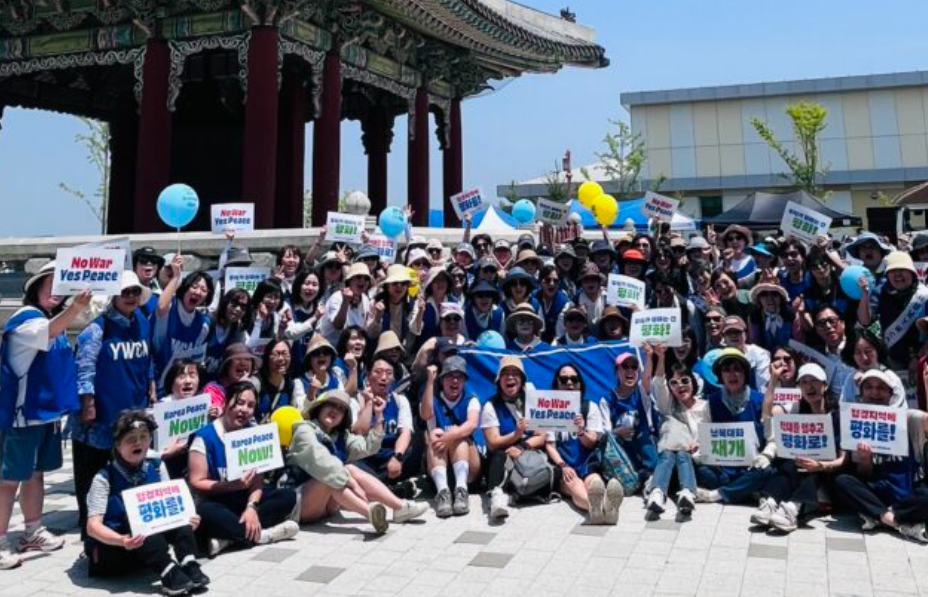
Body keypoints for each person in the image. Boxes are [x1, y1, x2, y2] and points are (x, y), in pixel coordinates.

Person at [0, 262, 91, 569]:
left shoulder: (53, 319)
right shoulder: (27, 319)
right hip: (22, 415)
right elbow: (48, 332)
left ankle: (32, 530)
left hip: (45, 414)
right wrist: (76, 307)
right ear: (36, 287)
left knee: (36, 474)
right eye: (51, 284)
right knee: (8, 480)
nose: (56, 291)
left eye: (62, 286)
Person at [83, 410, 208, 595]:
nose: (138, 442)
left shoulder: (157, 467)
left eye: (144, 437)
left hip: (148, 548)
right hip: (115, 551)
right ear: (117, 444)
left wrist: (188, 518)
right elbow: (92, 527)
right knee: (136, 517)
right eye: (131, 439)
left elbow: (171, 507)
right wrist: (122, 540)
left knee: (177, 514)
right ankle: (168, 572)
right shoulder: (104, 478)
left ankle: (188, 562)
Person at [72, 271, 155, 532]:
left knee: (127, 465)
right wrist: (88, 403)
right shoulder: (97, 327)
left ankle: (120, 517)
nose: (130, 297)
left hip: (132, 409)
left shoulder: (142, 321)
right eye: (124, 292)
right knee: (93, 469)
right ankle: (90, 524)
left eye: (135, 292)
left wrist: (151, 383)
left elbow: (148, 359)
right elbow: (84, 368)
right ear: (113, 296)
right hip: (100, 414)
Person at [286, 390, 428, 533]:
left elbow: (368, 448)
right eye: (331, 405)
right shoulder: (304, 431)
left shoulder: (340, 435)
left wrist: (379, 416)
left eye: (341, 409)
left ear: (344, 417)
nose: (335, 411)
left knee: (349, 469)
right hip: (300, 506)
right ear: (319, 407)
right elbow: (323, 462)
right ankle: (370, 512)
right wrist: (352, 484)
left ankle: (400, 507)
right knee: (332, 476)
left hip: (326, 505)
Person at [188, 381, 299, 557]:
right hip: (216, 502)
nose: (244, 410)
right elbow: (197, 482)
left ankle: (229, 538)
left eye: (250, 405)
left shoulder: (253, 432)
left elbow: (257, 480)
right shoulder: (204, 437)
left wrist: (252, 507)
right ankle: (264, 535)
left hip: (243, 501)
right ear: (226, 403)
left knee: (287, 496)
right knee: (205, 512)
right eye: (240, 403)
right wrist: (231, 485)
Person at [832, 369, 928, 541]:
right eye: (868, 387)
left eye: (881, 388)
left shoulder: (907, 417)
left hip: (909, 494)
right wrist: (865, 459)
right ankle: (897, 521)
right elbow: (864, 475)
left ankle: (879, 516)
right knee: (842, 481)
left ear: (891, 394)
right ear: (861, 393)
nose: (874, 392)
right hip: (877, 492)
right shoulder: (857, 422)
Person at [751, 364, 844, 533]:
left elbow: (843, 460)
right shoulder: (797, 408)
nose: (809, 386)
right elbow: (768, 415)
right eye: (804, 382)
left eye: (814, 381)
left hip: (828, 473)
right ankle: (771, 502)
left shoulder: (837, 416)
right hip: (800, 467)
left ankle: (793, 509)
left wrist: (820, 465)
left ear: (825, 385)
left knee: (810, 469)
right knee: (790, 461)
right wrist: (773, 380)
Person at [544, 364, 622, 524]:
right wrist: (563, 465)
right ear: (557, 383)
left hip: (587, 464)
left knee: (595, 483)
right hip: (565, 466)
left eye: (574, 379)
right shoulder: (551, 408)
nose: (569, 383)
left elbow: (592, 443)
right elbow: (550, 445)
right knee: (575, 485)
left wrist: (581, 431)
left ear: (580, 383)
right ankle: (602, 509)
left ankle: (604, 509)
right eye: (564, 380)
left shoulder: (589, 407)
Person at [695, 349, 775, 505]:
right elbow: (704, 437)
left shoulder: (760, 401)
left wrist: (766, 456)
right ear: (720, 375)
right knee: (699, 468)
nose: (732, 375)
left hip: (750, 467)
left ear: (745, 373)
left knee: (767, 471)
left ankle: (717, 495)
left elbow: (772, 439)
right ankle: (743, 490)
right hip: (722, 469)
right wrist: (699, 450)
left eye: (737, 369)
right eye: (727, 370)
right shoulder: (712, 401)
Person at [481, 357, 549, 521]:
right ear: (499, 380)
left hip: (528, 453)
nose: (510, 377)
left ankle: (521, 494)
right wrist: (516, 434)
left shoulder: (533, 401)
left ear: (522, 380)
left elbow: (541, 436)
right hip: (503, 457)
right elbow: (492, 443)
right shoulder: (491, 406)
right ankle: (496, 497)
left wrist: (521, 446)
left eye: (515, 373)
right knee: (498, 456)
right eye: (505, 373)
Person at [646, 345, 706, 520]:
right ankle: (657, 493)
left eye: (685, 380)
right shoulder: (669, 406)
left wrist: (700, 443)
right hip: (670, 458)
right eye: (674, 383)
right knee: (671, 452)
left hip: (696, 459)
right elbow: (658, 383)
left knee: (681, 454)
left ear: (693, 382)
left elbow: (712, 434)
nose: (680, 385)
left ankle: (686, 492)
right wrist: (661, 357)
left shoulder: (706, 407)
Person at [419, 356, 482, 518]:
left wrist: (450, 436)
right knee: (435, 436)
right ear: (442, 380)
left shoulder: (471, 399)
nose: (454, 381)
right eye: (450, 376)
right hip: (439, 466)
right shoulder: (433, 398)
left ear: (464, 381)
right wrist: (430, 381)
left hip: (468, 470)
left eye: (459, 377)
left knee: (459, 435)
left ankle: (461, 491)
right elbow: (425, 414)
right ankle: (443, 493)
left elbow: (471, 424)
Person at [152, 256, 213, 395]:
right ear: (185, 287)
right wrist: (176, 276)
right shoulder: (170, 307)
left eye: (204, 290)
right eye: (194, 287)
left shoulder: (204, 324)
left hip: (181, 393)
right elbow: (161, 307)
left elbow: (197, 362)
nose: (198, 292)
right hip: (156, 388)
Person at [859, 251, 928, 371]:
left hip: (923, 358)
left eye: (902, 270)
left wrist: (919, 357)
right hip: (893, 360)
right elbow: (865, 321)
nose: (898, 275)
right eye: (893, 271)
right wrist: (865, 296)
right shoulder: (880, 291)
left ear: (912, 273)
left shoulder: (924, 294)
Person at [355, 358, 419, 484]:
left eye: (389, 373)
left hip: (389, 456)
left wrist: (397, 457)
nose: (383, 377)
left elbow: (405, 432)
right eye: (378, 372)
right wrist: (368, 403)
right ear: (368, 377)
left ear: (393, 379)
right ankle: (384, 486)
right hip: (365, 457)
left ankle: (374, 485)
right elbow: (359, 432)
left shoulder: (400, 400)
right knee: (352, 465)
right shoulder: (356, 400)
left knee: (413, 453)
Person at [601, 352, 659, 487]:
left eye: (634, 367)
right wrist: (616, 432)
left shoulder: (641, 392)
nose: (630, 370)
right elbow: (605, 433)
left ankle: (650, 476)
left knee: (645, 435)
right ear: (617, 371)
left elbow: (647, 378)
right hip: (622, 452)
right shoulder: (607, 399)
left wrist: (649, 356)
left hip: (644, 449)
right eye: (625, 366)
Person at [839, 330, 906, 406]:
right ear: (852, 356)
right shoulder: (850, 380)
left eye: (868, 351)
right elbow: (844, 408)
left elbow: (899, 410)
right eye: (858, 353)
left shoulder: (892, 378)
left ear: (877, 350)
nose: (864, 357)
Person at [319, 263, 372, 345]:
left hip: (351, 345)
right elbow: (338, 325)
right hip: (330, 345)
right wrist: (345, 301)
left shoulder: (365, 299)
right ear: (349, 280)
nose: (362, 281)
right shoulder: (337, 297)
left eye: (366, 278)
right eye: (358, 277)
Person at [254, 339, 305, 424]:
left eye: (285, 354)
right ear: (267, 357)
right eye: (276, 354)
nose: (281, 358)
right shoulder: (256, 383)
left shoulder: (291, 385)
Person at [205, 288, 252, 379]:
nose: (238, 309)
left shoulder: (237, 330)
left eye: (243, 307)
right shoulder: (208, 322)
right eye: (234, 304)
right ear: (225, 303)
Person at [203, 343, 259, 409]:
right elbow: (226, 412)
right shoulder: (213, 389)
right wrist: (239, 389)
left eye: (247, 359)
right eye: (238, 359)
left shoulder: (251, 389)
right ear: (227, 365)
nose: (243, 363)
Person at [536, 264, 570, 344]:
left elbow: (559, 335)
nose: (552, 283)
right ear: (541, 282)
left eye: (555, 281)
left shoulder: (564, 303)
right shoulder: (534, 298)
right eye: (548, 280)